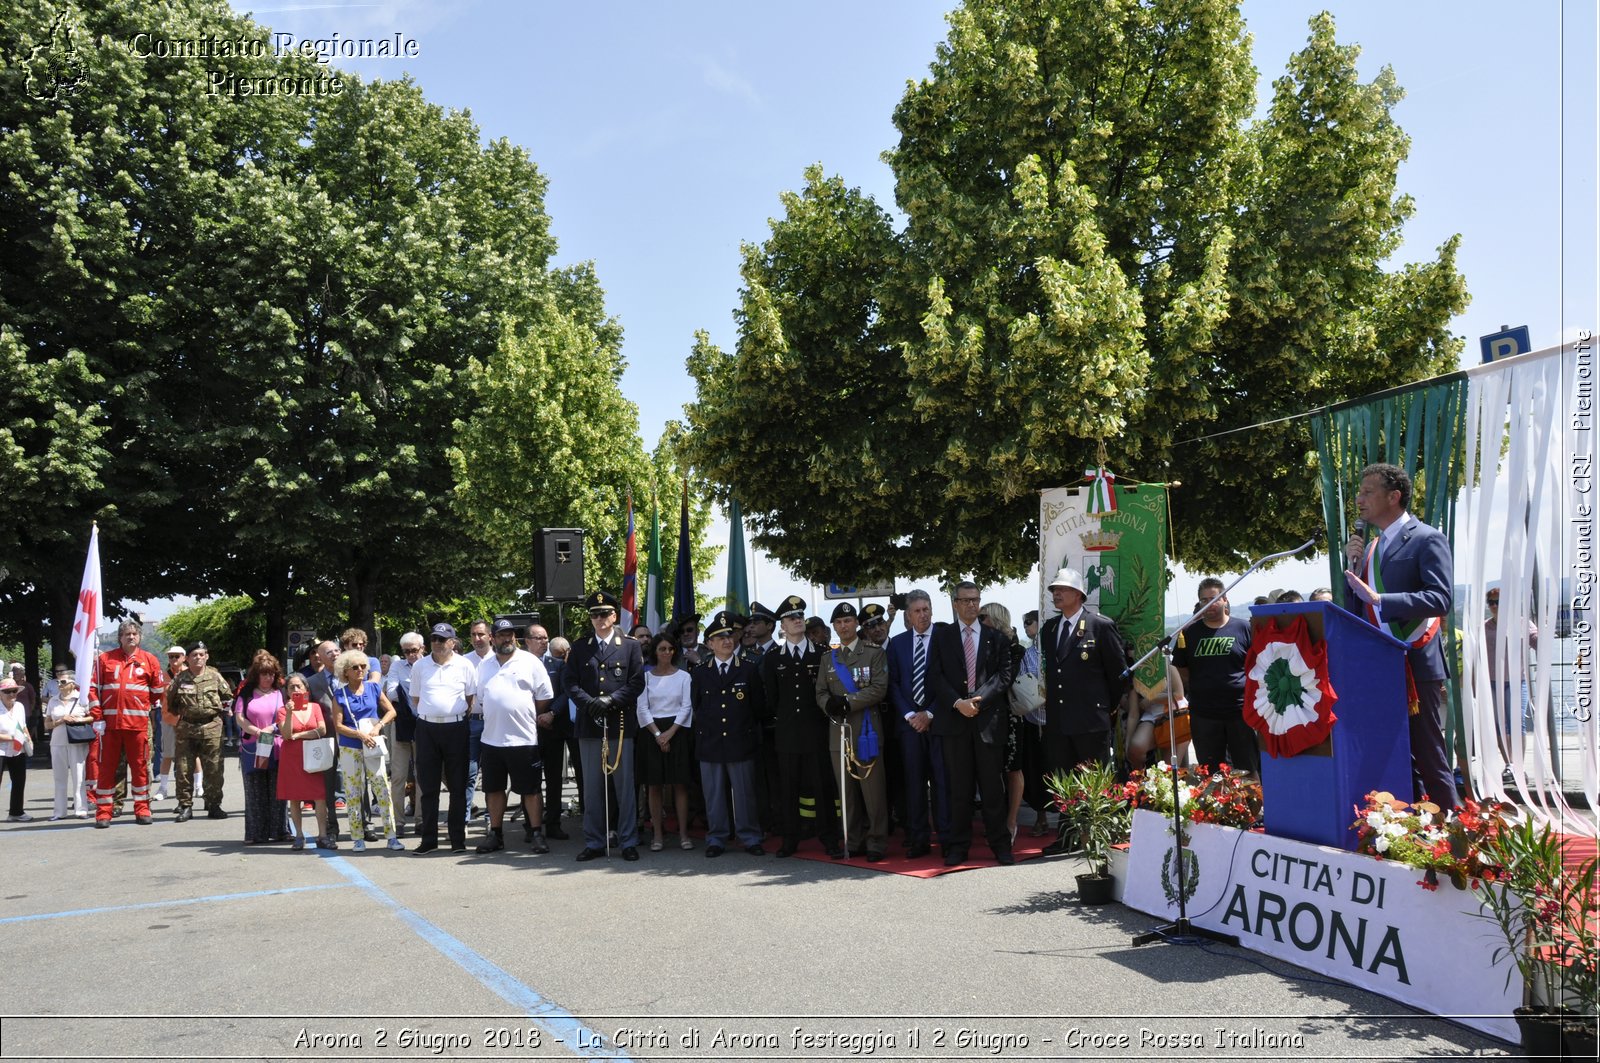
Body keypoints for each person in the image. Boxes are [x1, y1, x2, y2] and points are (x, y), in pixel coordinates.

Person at [1343, 462, 1458, 810]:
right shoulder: (1370, 548)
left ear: (1393, 497)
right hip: (1379, 665)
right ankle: (1404, 825)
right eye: (1359, 492)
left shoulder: (1426, 538)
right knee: (1389, 753)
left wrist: (1383, 600)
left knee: (1429, 754)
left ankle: (1454, 833)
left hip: (1416, 664)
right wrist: (1351, 565)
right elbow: (1358, 608)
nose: (1359, 500)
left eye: (1367, 492)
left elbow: (1441, 598)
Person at [929, 584, 1015, 866]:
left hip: (987, 723)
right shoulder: (942, 637)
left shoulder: (995, 638)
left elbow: (1004, 677)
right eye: (964, 601)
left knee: (992, 790)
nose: (970, 605)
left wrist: (979, 700)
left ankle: (1000, 845)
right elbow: (935, 676)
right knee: (959, 790)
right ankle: (957, 847)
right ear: (955, 604)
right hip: (955, 723)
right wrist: (958, 703)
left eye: (975, 600)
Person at [565, 591, 646, 862]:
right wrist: (590, 703)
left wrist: (611, 700)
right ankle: (595, 841)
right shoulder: (580, 647)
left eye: (603, 614)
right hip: (590, 725)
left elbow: (636, 682)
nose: (598, 619)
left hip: (620, 724)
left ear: (614, 616)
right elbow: (571, 683)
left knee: (624, 788)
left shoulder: (630, 645)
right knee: (593, 788)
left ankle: (628, 840)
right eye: (594, 615)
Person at [762, 594, 842, 858]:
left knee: (822, 786)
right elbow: (771, 698)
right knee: (788, 788)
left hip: (816, 731)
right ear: (782, 625)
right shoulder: (774, 658)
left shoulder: (821, 654)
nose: (797, 620)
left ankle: (829, 837)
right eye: (791, 618)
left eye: (800, 616)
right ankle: (790, 838)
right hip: (787, 733)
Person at [814, 602, 890, 861]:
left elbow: (879, 688)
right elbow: (821, 692)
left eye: (848, 621)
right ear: (834, 626)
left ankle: (877, 842)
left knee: (873, 790)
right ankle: (853, 840)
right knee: (846, 791)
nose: (844, 626)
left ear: (856, 624)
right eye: (839, 622)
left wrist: (848, 702)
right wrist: (829, 705)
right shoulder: (828, 658)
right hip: (839, 732)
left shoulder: (873, 653)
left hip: (866, 729)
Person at [474, 619, 554, 854]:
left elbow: (544, 697)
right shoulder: (485, 665)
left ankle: (537, 833)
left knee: (531, 789)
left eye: (510, 635)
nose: (507, 639)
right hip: (492, 740)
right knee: (494, 789)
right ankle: (496, 835)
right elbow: (481, 699)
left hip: (523, 739)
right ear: (492, 638)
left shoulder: (530, 661)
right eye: (501, 635)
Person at [1038, 567, 1128, 775]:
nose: (1056, 594)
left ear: (1078, 594)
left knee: (1094, 789)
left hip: (1091, 722)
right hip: (1059, 723)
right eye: (1054, 590)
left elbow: (1119, 673)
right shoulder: (1050, 629)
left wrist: (1106, 706)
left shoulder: (1099, 626)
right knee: (1064, 788)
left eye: (1062, 589)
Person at [692, 611, 766, 857]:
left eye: (728, 636)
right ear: (710, 644)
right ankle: (717, 837)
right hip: (710, 742)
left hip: (740, 740)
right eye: (719, 637)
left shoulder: (747, 669)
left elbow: (757, 707)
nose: (726, 640)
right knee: (713, 795)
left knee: (744, 794)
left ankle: (750, 836)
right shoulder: (701, 672)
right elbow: (696, 706)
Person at [886, 589, 949, 859]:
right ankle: (918, 838)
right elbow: (894, 684)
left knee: (942, 783)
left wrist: (930, 713)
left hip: (940, 723)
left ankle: (947, 838)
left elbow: (950, 681)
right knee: (913, 783)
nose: (922, 615)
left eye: (926, 609)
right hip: (909, 725)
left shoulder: (946, 638)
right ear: (908, 616)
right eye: (917, 611)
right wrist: (911, 715)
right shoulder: (898, 644)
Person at [1171, 578, 1257, 774]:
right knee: (1210, 774)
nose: (1208, 604)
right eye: (1204, 600)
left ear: (1225, 599)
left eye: (1213, 598)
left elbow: (1256, 666)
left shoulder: (1244, 628)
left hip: (1240, 712)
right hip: (1204, 714)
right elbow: (1182, 668)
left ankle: (1252, 805)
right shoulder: (1189, 633)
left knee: (1247, 771)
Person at [408, 622, 477, 854]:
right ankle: (429, 839)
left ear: (453, 642)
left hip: (456, 728)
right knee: (428, 787)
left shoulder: (465, 665)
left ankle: (457, 838)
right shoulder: (420, 666)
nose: (437, 643)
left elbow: (470, 699)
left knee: (458, 785)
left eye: (442, 639)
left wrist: (449, 713)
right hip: (427, 728)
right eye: (434, 639)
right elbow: (416, 699)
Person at [89, 620, 165, 827]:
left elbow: (158, 690)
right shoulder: (104, 659)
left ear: (139, 637)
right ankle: (103, 812)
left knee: (140, 768)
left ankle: (142, 809)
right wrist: (98, 717)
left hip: (137, 726)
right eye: (127, 634)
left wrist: (140, 705)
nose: (131, 637)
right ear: (120, 638)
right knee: (106, 769)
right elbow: (93, 689)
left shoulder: (149, 660)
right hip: (110, 726)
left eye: (134, 634)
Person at [330, 648, 401, 852]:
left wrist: (378, 727)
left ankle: (391, 836)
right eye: (355, 667)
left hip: (373, 745)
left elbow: (391, 711)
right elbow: (338, 725)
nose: (361, 670)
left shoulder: (373, 688)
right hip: (351, 747)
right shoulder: (339, 694)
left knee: (382, 789)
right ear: (346, 671)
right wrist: (360, 735)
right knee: (353, 792)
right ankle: (357, 838)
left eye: (363, 666)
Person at [980, 601, 1030, 846]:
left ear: (995, 619)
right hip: (988, 714)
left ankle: (1011, 821)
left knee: (1013, 767)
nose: (979, 622)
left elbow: (1007, 680)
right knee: (992, 770)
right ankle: (996, 821)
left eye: (983, 617)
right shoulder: (983, 645)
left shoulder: (1015, 649)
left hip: (1011, 713)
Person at [637, 633, 694, 852]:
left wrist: (669, 734)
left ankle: (683, 834)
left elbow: (686, 707)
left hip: (677, 731)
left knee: (679, 785)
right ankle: (658, 835)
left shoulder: (683, 677)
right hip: (651, 732)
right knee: (654, 786)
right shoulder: (646, 678)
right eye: (662, 649)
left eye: (670, 648)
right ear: (655, 652)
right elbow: (642, 708)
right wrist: (657, 735)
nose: (667, 652)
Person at [169, 642, 233, 822]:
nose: (198, 657)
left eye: (201, 654)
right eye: (194, 655)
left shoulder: (215, 677)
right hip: (187, 729)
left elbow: (228, 698)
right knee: (183, 769)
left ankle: (213, 805)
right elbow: (172, 703)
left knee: (214, 768)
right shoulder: (180, 679)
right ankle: (185, 806)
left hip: (211, 727)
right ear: (187, 658)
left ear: (207, 656)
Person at [233, 650, 288, 844]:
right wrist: (257, 731)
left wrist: (271, 728)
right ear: (257, 674)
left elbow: (285, 717)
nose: (268, 677)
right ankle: (256, 833)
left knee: (277, 791)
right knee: (255, 791)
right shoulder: (246, 693)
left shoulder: (280, 693)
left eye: (272, 673)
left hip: (276, 746)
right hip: (252, 746)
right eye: (264, 673)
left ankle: (280, 830)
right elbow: (239, 718)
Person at [525, 624, 572, 840]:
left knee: (554, 780)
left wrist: (551, 713)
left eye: (546, 638)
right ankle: (531, 826)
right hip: (527, 731)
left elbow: (565, 693)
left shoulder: (557, 664)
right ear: (527, 641)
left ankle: (553, 823)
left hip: (552, 729)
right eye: (539, 638)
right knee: (530, 780)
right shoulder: (518, 664)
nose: (544, 641)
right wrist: (534, 717)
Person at [1483, 587, 1539, 766]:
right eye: (1491, 602)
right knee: (1499, 724)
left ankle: (1518, 765)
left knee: (1517, 722)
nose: (1494, 606)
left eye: (1498, 602)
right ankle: (1509, 764)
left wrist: (1543, 633)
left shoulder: (1522, 623)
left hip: (1517, 682)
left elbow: (1538, 643)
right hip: (1492, 682)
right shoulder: (1484, 627)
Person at [275, 672, 330, 850]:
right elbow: (286, 734)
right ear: (287, 691)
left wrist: (299, 735)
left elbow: (322, 729)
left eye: (299, 686)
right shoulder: (283, 711)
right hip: (292, 758)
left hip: (313, 756)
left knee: (319, 796)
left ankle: (323, 835)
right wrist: (290, 713)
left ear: (306, 688)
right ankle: (299, 835)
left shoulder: (315, 707)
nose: (296, 689)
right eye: (292, 687)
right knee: (294, 798)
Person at [303, 640, 343, 845]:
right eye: (329, 651)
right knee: (327, 785)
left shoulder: (351, 674)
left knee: (359, 780)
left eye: (337, 650)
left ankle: (364, 825)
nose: (335, 654)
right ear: (319, 656)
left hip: (352, 735)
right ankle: (331, 827)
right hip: (326, 738)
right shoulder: (313, 681)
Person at [384, 632, 422, 834]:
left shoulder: (428, 665)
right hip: (401, 724)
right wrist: (413, 691)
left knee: (422, 775)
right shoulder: (397, 666)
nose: (410, 655)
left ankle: (421, 819)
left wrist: (406, 689)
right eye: (406, 651)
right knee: (398, 776)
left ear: (421, 649)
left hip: (423, 724)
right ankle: (398, 822)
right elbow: (391, 692)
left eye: (414, 650)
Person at [45, 673, 93, 819]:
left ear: (72, 683)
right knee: (59, 777)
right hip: (57, 742)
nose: (59, 684)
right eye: (58, 682)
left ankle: (81, 809)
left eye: (63, 681)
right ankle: (59, 812)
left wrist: (78, 720)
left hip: (77, 741)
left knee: (79, 776)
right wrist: (61, 720)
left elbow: (93, 716)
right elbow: (47, 724)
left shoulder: (82, 698)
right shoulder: (53, 700)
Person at [461, 619, 493, 825]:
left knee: (492, 772)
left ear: (490, 636)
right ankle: (463, 819)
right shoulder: (463, 661)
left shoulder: (500, 659)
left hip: (493, 723)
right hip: (471, 722)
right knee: (469, 772)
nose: (477, 638)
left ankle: (493, 817)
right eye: (473, 634)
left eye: (481, 634)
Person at [155, 646, 186, 800]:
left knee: (193, 755)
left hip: (188, 720)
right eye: (170, 657)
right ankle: (163, 788)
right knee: (167, 754)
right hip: (168, 719)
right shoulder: (164, 676)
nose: (173, 660)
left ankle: (198, 786)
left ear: (183, 657)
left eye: (176, 656)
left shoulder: (190, 674)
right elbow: (158, 697)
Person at [1, 678, 34, 820]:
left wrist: (29, 739)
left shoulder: (20, 706)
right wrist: (11, 737)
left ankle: (16, 812)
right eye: (7, 692)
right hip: (1, 749)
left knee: (19, 780)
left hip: (17, 748)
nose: (11, 694)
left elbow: (23, 725)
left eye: (14, 691)